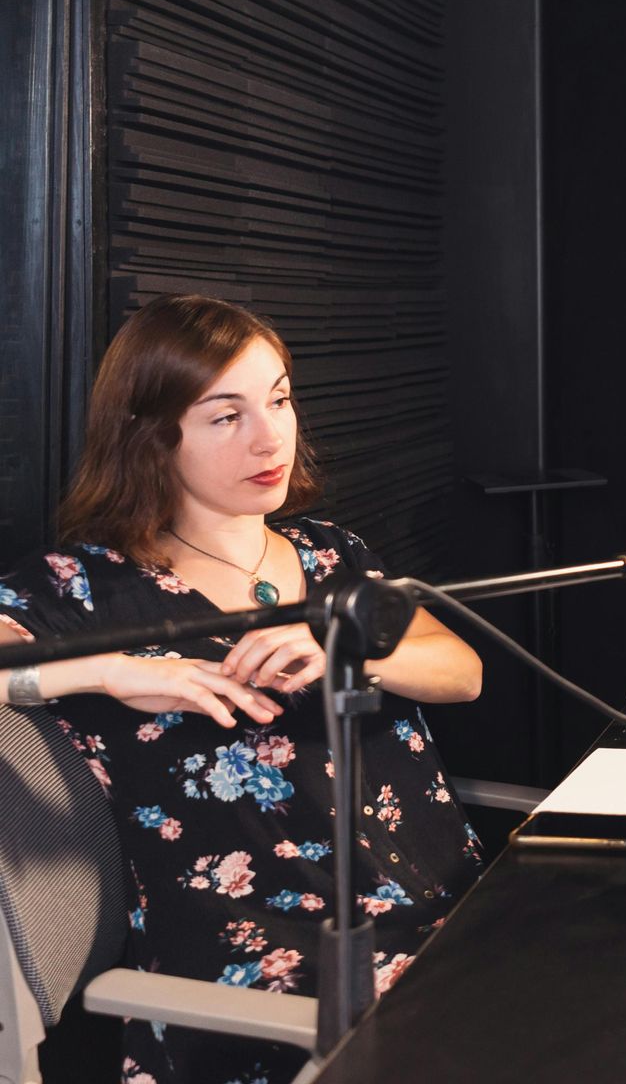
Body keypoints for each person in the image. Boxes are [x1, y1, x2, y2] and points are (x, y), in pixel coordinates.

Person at [0, 295, 484, 1084]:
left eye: (281, 399)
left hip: (446, 911)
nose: (271, 437)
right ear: (151, 436)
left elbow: (462, 671)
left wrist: (349, 652)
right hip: (266, 969)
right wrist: (111, 672)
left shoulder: (331, 555)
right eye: (226, 416)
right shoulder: (85, 587)